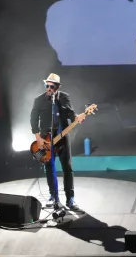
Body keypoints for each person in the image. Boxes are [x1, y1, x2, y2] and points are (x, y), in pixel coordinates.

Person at [30, 73, 84, 210]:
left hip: (62, 137)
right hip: (45, 139)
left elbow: (71, 114)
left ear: (58, 87)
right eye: (46, 85)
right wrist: (38, 137)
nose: (48, 88)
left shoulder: (64, 97)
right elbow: (33, 119)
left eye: (51, 86)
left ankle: (70, 198)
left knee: (67, 167)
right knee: (49, 168)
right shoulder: (39, 100)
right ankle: (53, 196)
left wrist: (77, 118)